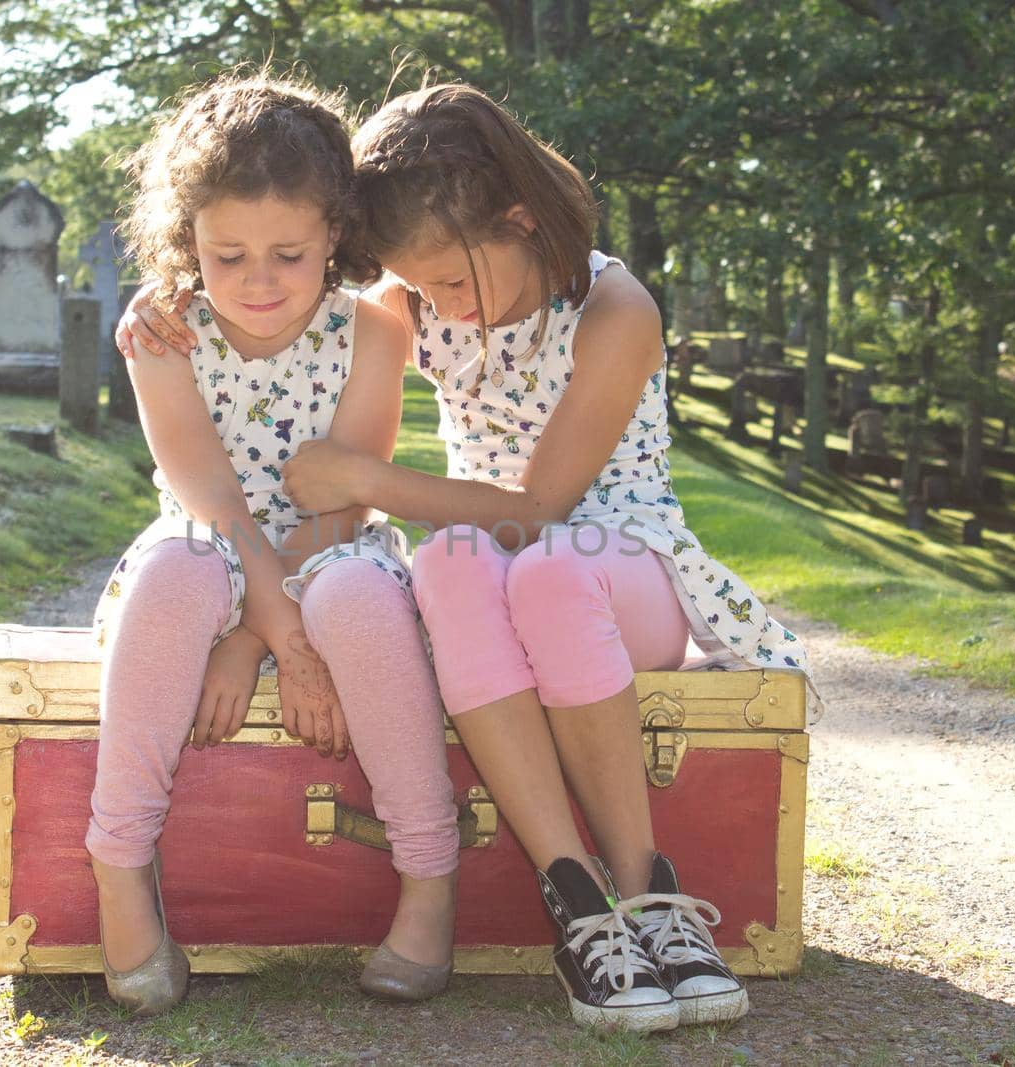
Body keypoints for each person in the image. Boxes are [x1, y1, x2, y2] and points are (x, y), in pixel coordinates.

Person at [121, 82, 817, 1033]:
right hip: (490, 574)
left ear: (521, 219)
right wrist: (167, 295)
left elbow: (538, 513)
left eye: (453, 283)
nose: (442, 306)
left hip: (621, 564)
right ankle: (577, 902)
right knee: (448, 563)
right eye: (424, 287)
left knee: (545, 567)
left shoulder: (616, 310)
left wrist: (364, 476)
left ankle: (647, 888)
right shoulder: (411, 295)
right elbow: (281, 298)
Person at [89, 71, 460, 1017]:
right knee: (178, 570)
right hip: (210, 541)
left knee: (359, 596)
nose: (258, 281)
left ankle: (429, 871)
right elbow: (206, 495)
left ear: (336, 233)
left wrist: (261, 640)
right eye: (228, 254)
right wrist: (262, 624)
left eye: (289, 254)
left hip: (330, 547)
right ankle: (120, 861)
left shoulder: (373, 333)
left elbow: (342, 498)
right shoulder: (165, 331)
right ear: (189, 244)